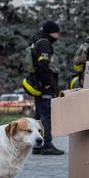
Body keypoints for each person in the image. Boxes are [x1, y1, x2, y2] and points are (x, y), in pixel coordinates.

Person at [24, 21, 64, 155]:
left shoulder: (37, 41)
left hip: (38, 83)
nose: (58, 35)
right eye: (56, 32)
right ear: (50, 32)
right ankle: (47, 144)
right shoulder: (45, 43)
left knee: (39, 115)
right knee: (46, 115)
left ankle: (37, 145)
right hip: (44, 85)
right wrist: (48, 82)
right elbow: (43, 64)